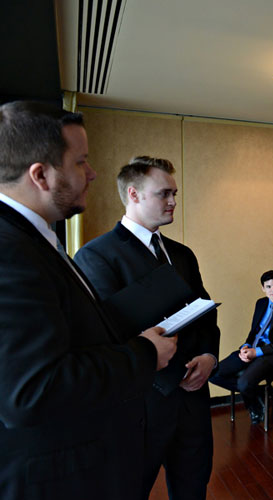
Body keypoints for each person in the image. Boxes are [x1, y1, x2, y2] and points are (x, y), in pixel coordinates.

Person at [0, 101, 177, 499]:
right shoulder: (8, 250)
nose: (93, 174)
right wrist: (145, 353)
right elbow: (32, 390)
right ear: (41, 175)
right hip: (59, 476)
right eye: (81, 162)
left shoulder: (33, 239)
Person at [74, 156, 220, 500]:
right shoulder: (96, 256)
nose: (172, 202)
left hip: (194, 396)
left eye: (175, 193)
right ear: (134, 194)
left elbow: (205, 314)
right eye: (163, 194)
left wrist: (209, 356)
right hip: (141, 402)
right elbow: (110, 333)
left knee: (193, 486)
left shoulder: (182, 254)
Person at [210, 270, 273, 423]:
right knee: (213, 373)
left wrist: (257, 352)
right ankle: (256, 393)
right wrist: (245, 347)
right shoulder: (260, 303)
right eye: (268, 287)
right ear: (263, 288)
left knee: (244, 383)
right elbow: (254, 332)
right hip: (252, 348)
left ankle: (254, 406)